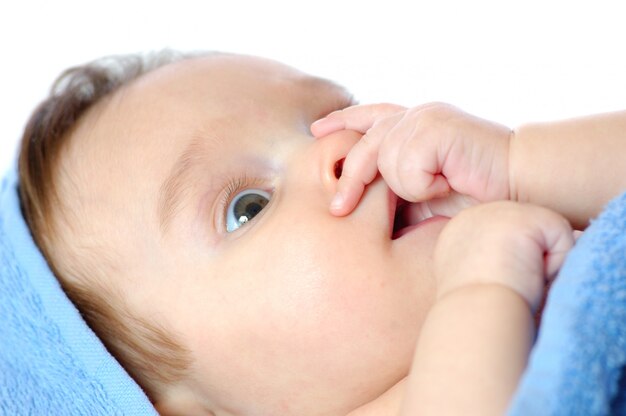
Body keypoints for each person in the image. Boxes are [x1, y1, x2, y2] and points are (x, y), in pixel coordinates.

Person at [17, 50, 626, 415]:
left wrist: (522, 163)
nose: (341, 145)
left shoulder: (532, 222)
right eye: (247, 207)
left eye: (326, 118)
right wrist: (484, 289)